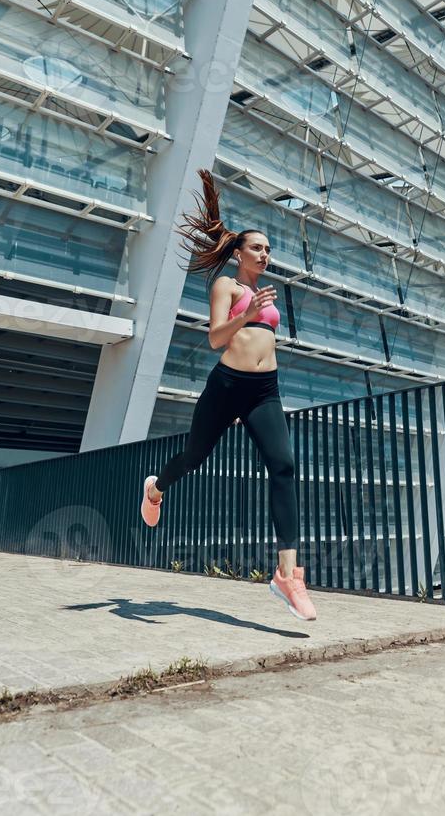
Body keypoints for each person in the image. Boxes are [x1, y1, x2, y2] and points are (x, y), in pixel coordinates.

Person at [140, 169, 316, 621]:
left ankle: (287, 575)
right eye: (257, 247)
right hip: (226, 388)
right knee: (195, 458)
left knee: (284, 466)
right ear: (238, 253)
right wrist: (250, 311)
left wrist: (260, 311)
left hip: (264, 391)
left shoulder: (263, 294)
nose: (265, 254)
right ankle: (156, 489)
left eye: (269, 249)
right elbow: (217, 339)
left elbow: (264, 341)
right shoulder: (229, 287)